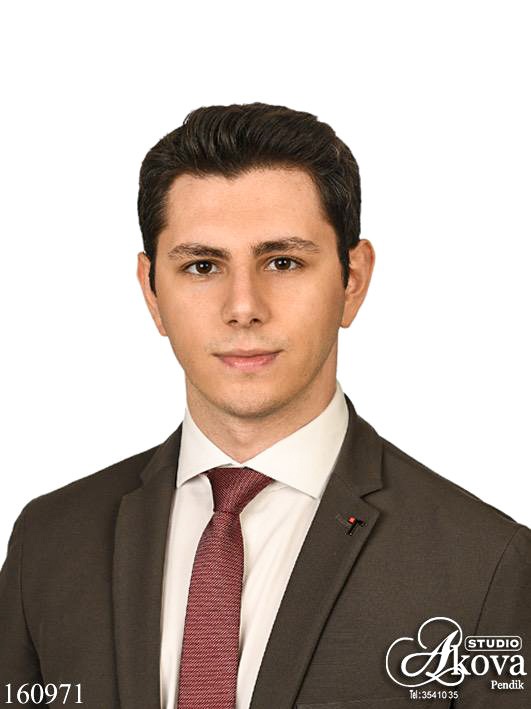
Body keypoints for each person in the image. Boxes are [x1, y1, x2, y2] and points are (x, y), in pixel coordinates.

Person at [0, 102, 529, 709]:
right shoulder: (49, 540)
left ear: (352, 280)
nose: (243, 307)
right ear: (151, 291)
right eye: (202, 265)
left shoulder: (487, 564)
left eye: (283, 262)